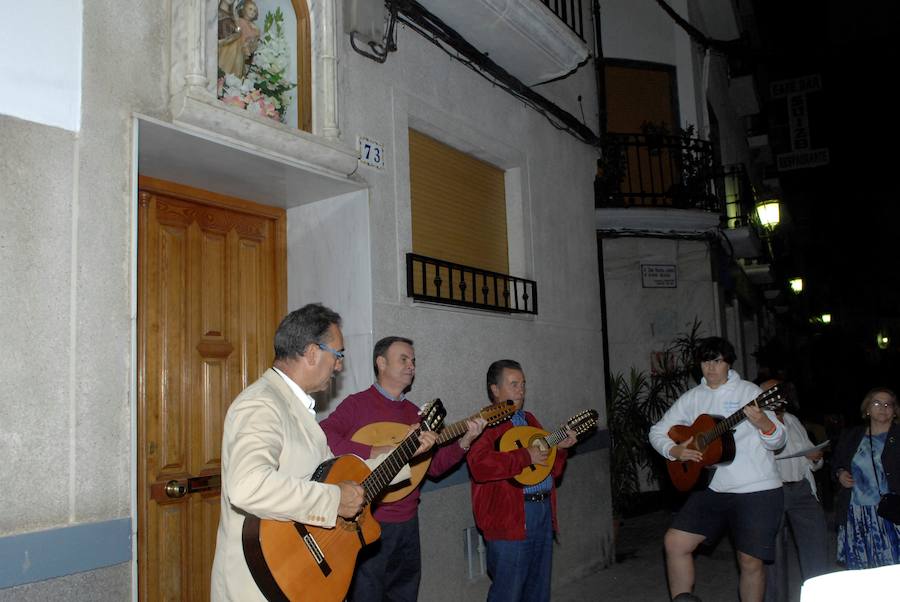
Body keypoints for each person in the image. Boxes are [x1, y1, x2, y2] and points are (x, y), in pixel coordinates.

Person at [210, 305, 432, 600]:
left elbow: (344, 475)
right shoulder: (261, 404)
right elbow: (247, 485)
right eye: (337, 355)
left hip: (297, 574)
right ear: (313, 353)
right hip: (263, 582)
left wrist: (406, 451)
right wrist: (335, 499)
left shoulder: (298, 409)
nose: (339, 366)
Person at [319, 336, 486, 602]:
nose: (411, 366)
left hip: (408, 522)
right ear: (381, 363)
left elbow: (433, 467)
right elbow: (324, 435)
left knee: (404, 594)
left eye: (413, 361)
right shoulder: (357, 403)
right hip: (368, 520)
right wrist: (374, 452)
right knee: (367, 595)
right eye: (404, 359)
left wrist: (465, 441)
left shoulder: (416, 416)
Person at [648, 337, 786, 602]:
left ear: (728, 363)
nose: (710, 367)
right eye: (705, 361)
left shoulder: (749, 393)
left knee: (749, 561)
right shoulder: (693, 397)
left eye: (717, 361)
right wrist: (674, 450)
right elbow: (657, 431)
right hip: (711, 486)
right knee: (675, 543)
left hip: (756, 490)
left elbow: (778, 440)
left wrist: (762, 423)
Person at [466, 359, 578, 602]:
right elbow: (479, 466)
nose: (521, 390)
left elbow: (551, 471)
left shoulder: (530, 420)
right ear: (495, 390)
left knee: (538, 590)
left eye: (523, 384)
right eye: (514, 384)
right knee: (509, 591)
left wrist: (560, 449)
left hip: (542, 511)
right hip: (510, 517)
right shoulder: (485, 424)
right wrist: (525, 455)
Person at [762, 380, 829, 602]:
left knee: (816, 545)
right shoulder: (757, 424)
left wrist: (815, 458)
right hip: (774, 490)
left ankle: (817, 595)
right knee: (774, 557)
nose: (775, 395)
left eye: (779, 391)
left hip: (802, 488)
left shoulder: (792, 420)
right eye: (769, 392)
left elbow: (808, 459)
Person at [833, 387, 900, 569]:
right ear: (867, 409)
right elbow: (837, 462)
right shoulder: (852, 435)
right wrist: (840, 473)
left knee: (892, 567)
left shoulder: (897, 436)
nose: (883, 408)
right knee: (861, 568)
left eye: (888, 404)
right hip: (856, 512)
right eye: (877, 403)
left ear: (894, 411)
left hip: (890, 512)